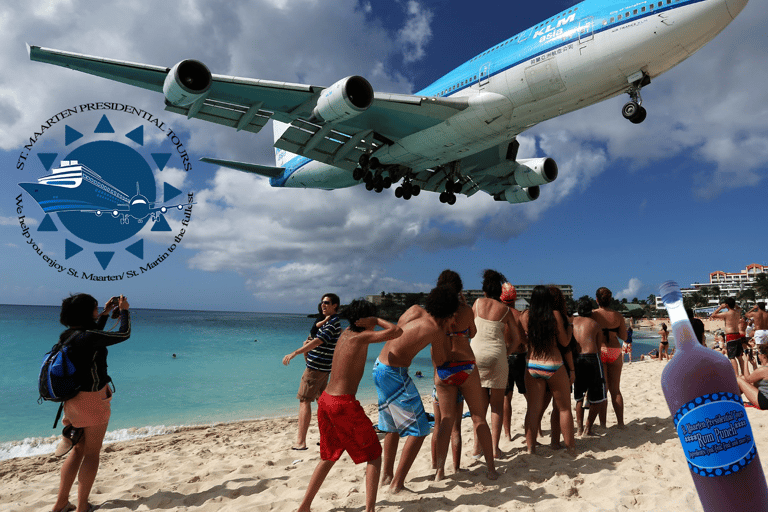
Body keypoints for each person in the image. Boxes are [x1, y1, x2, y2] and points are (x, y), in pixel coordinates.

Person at [296, 299, 402, 512]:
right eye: (370, 319)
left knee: (328, 456)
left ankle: (304, 506)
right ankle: (370, 510)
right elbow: (396, 331)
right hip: (343, 404)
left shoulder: (346, 333)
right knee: (374, 454)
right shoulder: (363, 336)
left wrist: (366, 320)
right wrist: (377, 319)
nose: (373, 324)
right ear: (364, 320)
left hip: (326, 401)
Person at [374, 285, 459, 494]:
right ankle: (397, 485)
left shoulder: (413, 310)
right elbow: (440, 360)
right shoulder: (436, 329)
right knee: (420, 429)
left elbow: (399, 334)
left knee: (392, 426)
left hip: (379, 367)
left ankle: (387, 475)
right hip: (395, 374)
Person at [52, 294, 131, 512]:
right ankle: (82, 507)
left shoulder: (69, 335)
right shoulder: (88, 337)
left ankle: (61, 503)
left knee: (78, 450)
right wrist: (124, 310)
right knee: (91, 453)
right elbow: (124, 333)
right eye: (95, 308)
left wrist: (105, 313)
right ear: (87, 312)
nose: (98, 310)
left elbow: (93, 334)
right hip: (93, 399)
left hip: (73, 400)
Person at [429, 270, 498, 482]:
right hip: (466, 366)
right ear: (459, 289)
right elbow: (473, 333)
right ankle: (491, 469)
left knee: (446, 421)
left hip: (444, 369)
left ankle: (440, 472)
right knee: (479, 418)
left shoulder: (435, 314)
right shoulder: (466, 310)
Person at [470, 269, 523, 459]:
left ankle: (477, 448)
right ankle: (493, 448)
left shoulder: (476, 303)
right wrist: (506, 353)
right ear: (499, 292)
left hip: (476, 354)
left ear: (484, 290)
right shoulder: (505, 310)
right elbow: (516, 340)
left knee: (479, 406)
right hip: (497, 355)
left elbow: (470, 328)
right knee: (497, 406)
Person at [282, 293, 341, 450]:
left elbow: (317, 341)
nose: (323, 305)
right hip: (321, 367)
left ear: (335, 305)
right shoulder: (329, 322)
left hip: (316, 369)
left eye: (327, 303)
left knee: (304, 401)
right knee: (322, 403)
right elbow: (315, 340)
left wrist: (295, 352)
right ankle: (329, 438)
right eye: (322, 302)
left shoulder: (332, 324)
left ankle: (300, 442)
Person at [523, 285, 576, 455]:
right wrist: (570, 327)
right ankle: (570, 447)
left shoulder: (525, 316)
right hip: (553, 363)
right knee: (564, 408)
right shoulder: (555, 315)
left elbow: (522, 340)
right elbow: (565, 342)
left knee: (532, 409)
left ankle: (531, 448)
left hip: (532, 364)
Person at [591, 287, 628, 428]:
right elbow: (624, 336)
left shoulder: (593, 314)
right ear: (610, 299)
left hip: (600, 351)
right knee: (615, 390)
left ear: (597, 299)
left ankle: (603, 424)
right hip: (614, 350)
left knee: (603, 390)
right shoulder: (618, 316)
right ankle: (620, 423)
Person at [572, 298, 607, 437]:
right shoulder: (595, 324)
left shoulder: (572, 323)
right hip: (592, 358)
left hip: (576, 359)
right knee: (598, 398)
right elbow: (598, 348)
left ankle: (579, 429)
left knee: (579, 397)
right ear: (590, 311)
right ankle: (588, 428)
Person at [501, 282, 527, 443]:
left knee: (506, 397)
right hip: (519, 356)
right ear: (515, 298)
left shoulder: (498, 315)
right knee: (528, 396)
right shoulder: (519, 315)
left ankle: (507, 433)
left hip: (503, 358)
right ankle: (535, 429)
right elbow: (524, 339)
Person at [710, 298, 745, 376]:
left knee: (732, 357)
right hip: (737, 334)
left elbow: (713, 315)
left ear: (727, 305)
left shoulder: (727, 313)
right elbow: (739, 308)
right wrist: (732, 304)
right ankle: (743, 373)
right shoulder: (738, 312)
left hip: (730, 335)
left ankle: (736, 375)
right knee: (739, 356)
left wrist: (720, 307)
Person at [737, 344, 768, 410]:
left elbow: (748, 379)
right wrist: (754, 366)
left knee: (739, 379)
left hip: (764, 402)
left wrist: (745, 361)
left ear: (764, 356)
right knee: (742, 378)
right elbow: (757, 378)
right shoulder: (764, 368)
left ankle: (732, 400)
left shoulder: (764, 369)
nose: (758, 355)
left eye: (758, 353)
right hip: (765, 398)